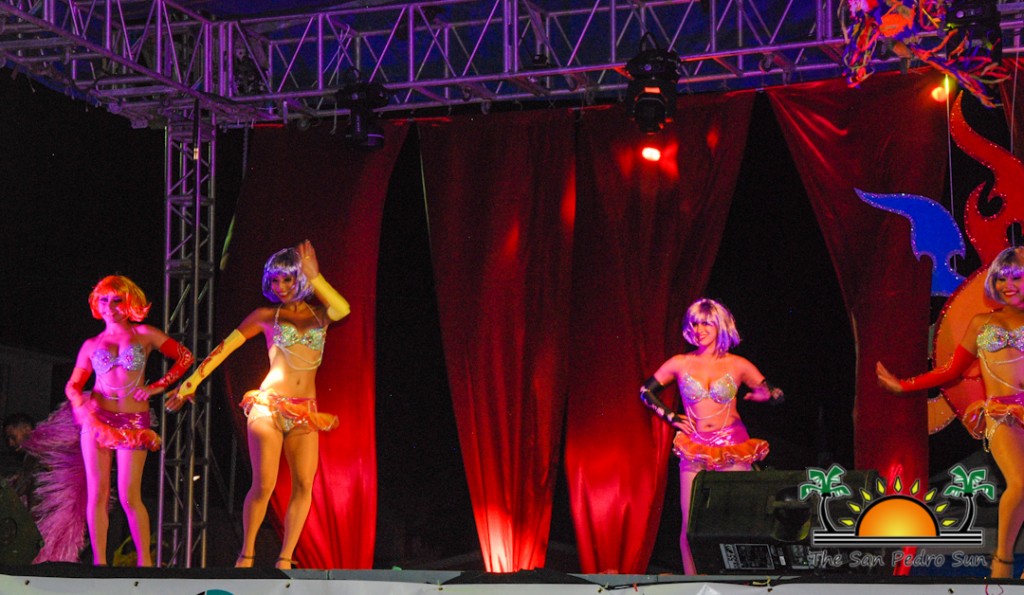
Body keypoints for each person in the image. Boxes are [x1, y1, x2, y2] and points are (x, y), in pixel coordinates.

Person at [167, 240, 350, 569]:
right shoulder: (265, 316)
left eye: (287, 279)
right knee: (264, 483)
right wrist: (190, 383)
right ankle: (247, 553)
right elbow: (224, 349)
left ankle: (285, 558)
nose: (280, 287)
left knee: (304, 485)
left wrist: (316, 277)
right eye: (275, 280)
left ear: (300, 278)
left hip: (305, 411)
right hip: (269, 405)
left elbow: (343, 309)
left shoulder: (321, 315)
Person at [877, 245, 1024, 580]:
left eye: (1016, 278)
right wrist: (905, 385)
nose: (1007, 285)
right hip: (1000, 415)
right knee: (1020, 482)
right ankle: (1002, 563)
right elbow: (950, 371)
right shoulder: (982, 324)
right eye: (1001, 279)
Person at [640, 298, 783, 575]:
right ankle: (693, 581)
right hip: (694, 446)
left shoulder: (738, 364)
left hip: (732, 444)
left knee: (737, 518)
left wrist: (767, 395)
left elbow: (774, 392)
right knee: (690, 522)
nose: (699, 329)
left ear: (720, 326)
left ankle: (740, 581)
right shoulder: (680, 362)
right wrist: (671, 416)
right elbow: (646, 391)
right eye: (694, 324)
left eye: (706, 323)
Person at [65, 275, 194, 566]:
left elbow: (185, 357)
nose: (109, 306)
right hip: (98, 420)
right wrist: (78, 404)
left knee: (128, 496)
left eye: (117, 300)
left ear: (130, 303)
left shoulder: (144, 334)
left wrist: (158, 386)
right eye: (103, 300)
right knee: (97, 493)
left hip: (134, 421)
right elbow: (73, 385)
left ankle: (145, 563)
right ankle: (99, 563)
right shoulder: (91, 344)